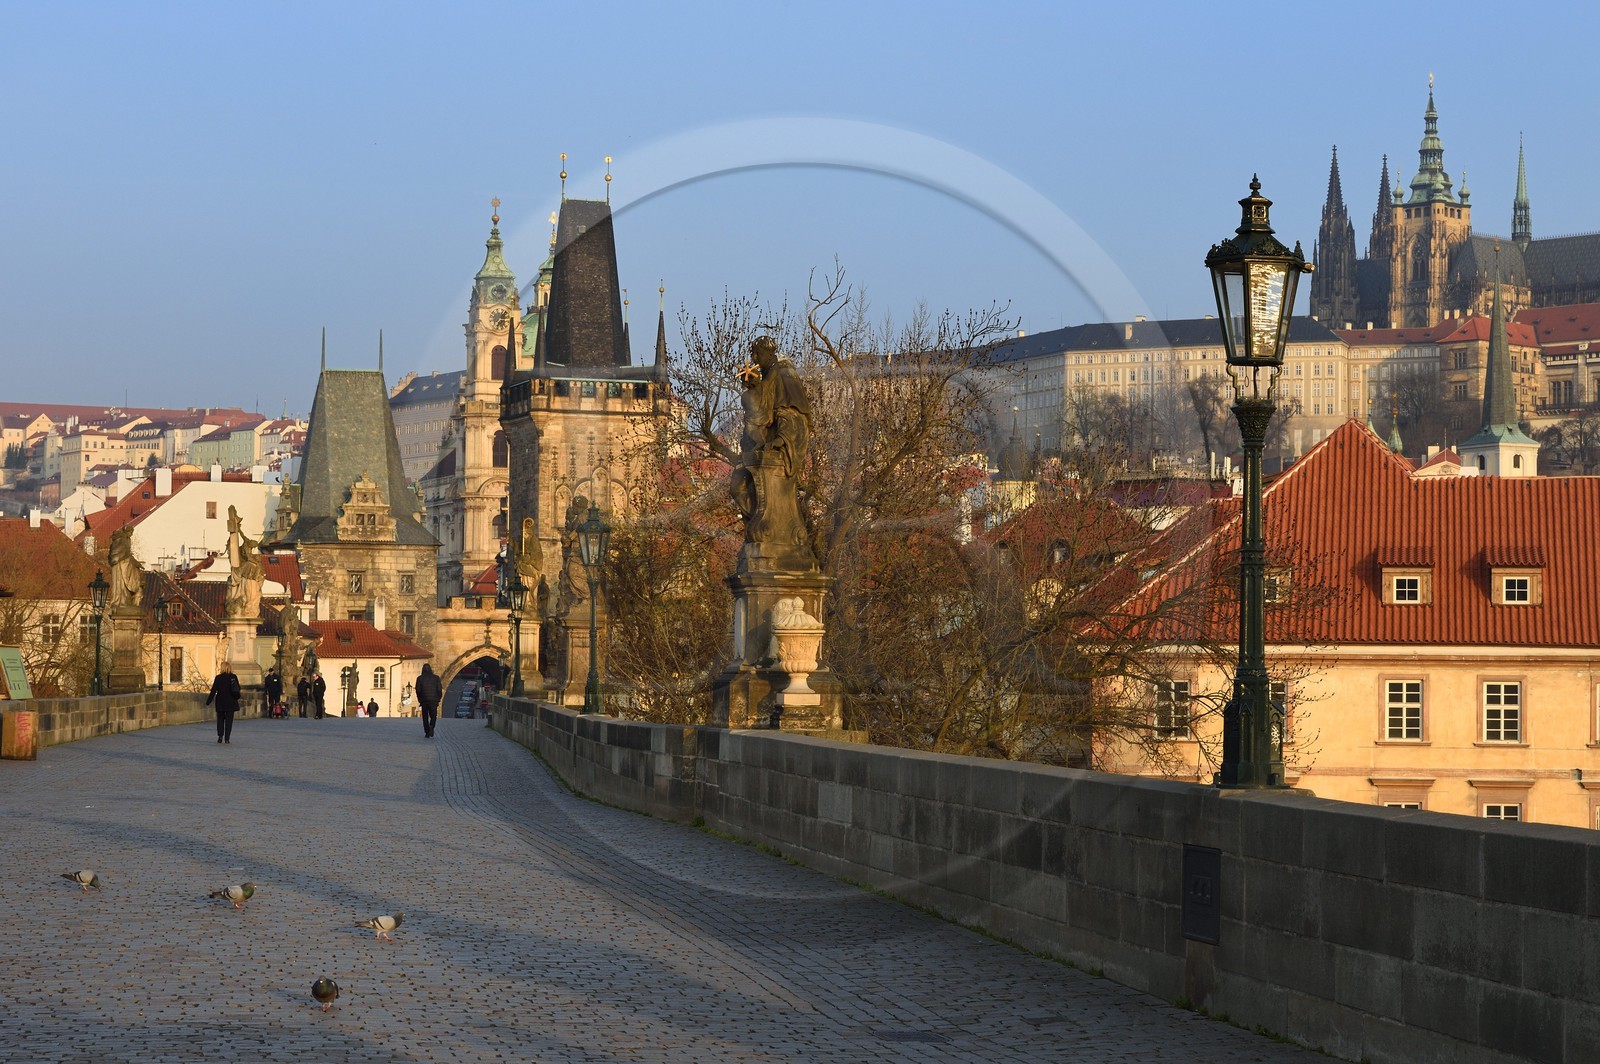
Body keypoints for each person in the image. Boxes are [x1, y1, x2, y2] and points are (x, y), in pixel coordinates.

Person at [206, 660, 241, 744]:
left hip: (220, 701)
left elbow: (213, 691)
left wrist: (208, 701)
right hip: (231, 701)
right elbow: (238, 688)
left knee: (220, 720)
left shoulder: (218, 677)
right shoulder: (233, 677)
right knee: (229, 721)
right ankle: (227, 738)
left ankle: (220, 736)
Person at [414, 663, 442, 738]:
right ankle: (432, 726)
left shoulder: (420, 678)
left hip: (424, 700)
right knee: (433, 716)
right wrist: (438, 699)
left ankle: (427, 731)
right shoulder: (436, 678)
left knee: (425, 716)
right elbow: (439, 689)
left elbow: (418, 690)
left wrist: (420, 699)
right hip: (433, 700)